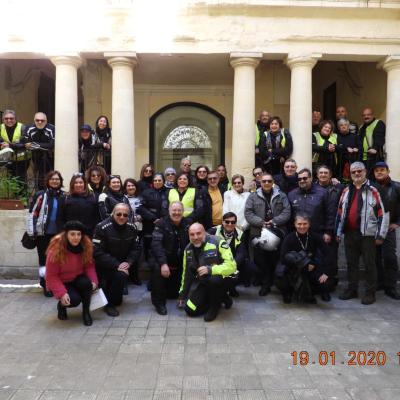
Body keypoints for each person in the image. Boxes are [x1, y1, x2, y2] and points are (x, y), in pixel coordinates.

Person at [336, 162, 388, 305]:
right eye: (354, 172)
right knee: (351, 263)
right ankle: (352, 289)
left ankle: (370, 293)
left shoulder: (374, 190)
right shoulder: (346, 190)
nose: (357, 174)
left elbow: (383, 213)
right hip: (350, 233)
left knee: (369, 264)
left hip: (368, 234)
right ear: (350, 174)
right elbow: (340, 212)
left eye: (359, 171)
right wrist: (338, 231)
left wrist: (381, 234)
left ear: (365, 172)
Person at [179, 223, 237, 322]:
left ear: (204, 233)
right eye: (192, 234)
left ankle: (214, 307)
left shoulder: (218, 241)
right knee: (190, 309)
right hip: (205, 283)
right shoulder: (188, 250)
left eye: (198, 233)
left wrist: (210, 269)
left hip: (224, 279)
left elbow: (232, 266)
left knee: (214, 280)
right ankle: (222, 298)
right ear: (189, 236)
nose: (195, 237)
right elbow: (186, 274)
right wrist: (183, 295)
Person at [245, 172, 291, 295]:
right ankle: (265, 283)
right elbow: (248, 213)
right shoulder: (253, 196)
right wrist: (261, 223)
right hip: (259, 233)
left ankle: (274, 281)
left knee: (274, 259)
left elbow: (287, 212)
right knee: (261, 259)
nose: (266, 183)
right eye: (264, 181)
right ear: (260, 182)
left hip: (277, 232)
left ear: (272, 182)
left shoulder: (281, 195)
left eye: (269, 181)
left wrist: (274, 221)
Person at [46, 221, 98, 326]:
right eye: (72, 234)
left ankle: (86, 313)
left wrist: (94, 281)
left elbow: (89, 266)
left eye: (79, 234)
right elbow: (51, 276)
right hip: (62, 281)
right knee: (74, 300)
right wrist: (61, 293)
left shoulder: (86, 247)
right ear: (66, 235)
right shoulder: (55, 251)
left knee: (87, 284)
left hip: (77, 278)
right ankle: (61, 306)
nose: (76, 237)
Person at [93, 203, 141, 316]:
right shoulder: (101, 227)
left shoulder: (132, 227)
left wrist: (128, 262)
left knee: (120, 282)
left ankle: (113, 299)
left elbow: (136, 248)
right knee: (119, 276)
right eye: (118, 214)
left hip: (122, 264)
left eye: (125, 215)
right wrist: (117, 265)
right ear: (113, 214)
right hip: (104, 265)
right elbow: (97, 252)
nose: (122, 217)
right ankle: (109, 305)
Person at [275, 214, 332, 304]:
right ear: (295, 224)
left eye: (305, 224)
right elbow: (283, 258)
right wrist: (301, 264)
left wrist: (326, 272)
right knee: (280, 280)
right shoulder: (289, 238)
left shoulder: (315, 237)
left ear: (309, 224)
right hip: (292, 268)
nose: (302, 226)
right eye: (299, 224)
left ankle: (310, 293)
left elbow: (328, 253)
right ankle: (288, 293)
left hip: (311, 267)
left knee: (326, 283)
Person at [27, 170, 65, 297]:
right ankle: (45, 285)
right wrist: (32, 232)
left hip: (58, 235)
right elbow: (33, 214)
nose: (55, 181)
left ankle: (56, 283)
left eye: (57, 179)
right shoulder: (41, 195)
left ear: (60, 181)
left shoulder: (64, 196)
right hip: (42, 234)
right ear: (48, 181)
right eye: (52, 179)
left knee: (57, 260)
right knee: (44, 260)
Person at [151, 201, 190, 315]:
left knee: (172, 294)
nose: (176, 213)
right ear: (169, 211)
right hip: (163, 259)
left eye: (179, 210)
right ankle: (159, 303)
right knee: (157, 269)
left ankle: (184, 297)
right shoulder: (161, 224)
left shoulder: (188, 223)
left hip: (180, 261)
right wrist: (163, 263)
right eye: (174, 210)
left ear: (183, 212)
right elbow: (156, 245)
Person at [371, 162, 400, 299]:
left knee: (389, 257)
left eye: (382, 170)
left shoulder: (397, 187)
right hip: (373, 229)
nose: (379, 172)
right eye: (377, 170)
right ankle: (379, 283)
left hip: (389, 228)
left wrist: (397, 223)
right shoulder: (370, 187)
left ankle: (391, 287)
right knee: (375, 257)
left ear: (388, 171)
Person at [208, 212, 251, 296]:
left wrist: (231, 265)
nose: (230, 224)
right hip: (216, 260)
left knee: (248, 266)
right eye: (227, 222)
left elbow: (242, 253)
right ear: (223, 222)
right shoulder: (213, 231)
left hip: (232, 261)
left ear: (235, 223)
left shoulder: (240, 233)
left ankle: (231, 287)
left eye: (233, 222)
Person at [288, 168, 336, 243]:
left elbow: (330, 213)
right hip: (299, 233)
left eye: (304, 178)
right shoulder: (292, 194)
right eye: (299, 179)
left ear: (311, 178)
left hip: (318, 233)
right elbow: (290, 215)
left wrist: (328, 232)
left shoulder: (323, 193)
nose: (302, 180)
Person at [315, 165, 344, 285]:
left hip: (332, 229)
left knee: (331, 256)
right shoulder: (312, 188)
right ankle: (317, 282)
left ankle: (331, 282)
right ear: (317, 175)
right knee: (317, 256)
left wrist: (330, 231)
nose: (323, 175)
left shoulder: (339, 188)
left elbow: (336, 210)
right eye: (320, 173)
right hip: (316, 228)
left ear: (330, 175)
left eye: (325, 173)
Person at [137, 173, 168, 263]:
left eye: (159, 180)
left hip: (164, 224)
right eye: (155, 180)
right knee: (148, 245)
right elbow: (140, 208)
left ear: (163, 181)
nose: (157, 182)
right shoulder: (146, 192)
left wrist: (163, 220)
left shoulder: (169, 192)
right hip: (149, 224)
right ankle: (148, 264)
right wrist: (153, 218)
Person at [22, 112, 55, 190]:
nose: (40, 122)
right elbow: (25, 143)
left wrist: (34, 144)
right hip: (33, 157)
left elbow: (51, 145)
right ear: (34, 120)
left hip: (49, 157)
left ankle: (47, 192)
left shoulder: (52, 128)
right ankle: (38, 193)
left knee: (47, 176)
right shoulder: (29, 128)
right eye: (37, 120)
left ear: (46, 121)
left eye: (42, 120)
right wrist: (43, 145)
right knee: (34, 177)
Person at [123, 178, 143, 285]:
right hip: (126, 229)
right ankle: (125, 278)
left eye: (133, 185)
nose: (131, 187)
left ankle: (135, 276)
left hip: (139, 229)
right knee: (126, 252)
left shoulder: (141, 198)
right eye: (128, 186)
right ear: (125, 188)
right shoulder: (123, 199)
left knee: (136, 253)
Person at [0, 109, 28, 180]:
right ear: (3, 120)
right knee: (11, 180)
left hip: (22, 159)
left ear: (15, 119)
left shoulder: (22, 127)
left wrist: (9, 145)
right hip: (8, 159)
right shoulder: (1, 127)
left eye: (11, 118)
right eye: (6, 118)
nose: (9, 120)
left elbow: (24, 144)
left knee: (21, 180)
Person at [358, 107, 386, 174]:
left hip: (375, 157)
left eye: (368, 114)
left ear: (373, 115)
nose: (366, 116)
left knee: (375, 177)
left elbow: (380, 137)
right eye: (364, 115)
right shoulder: (361, 127)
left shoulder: (378, 123)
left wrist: (375, 148)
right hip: (363, 158)